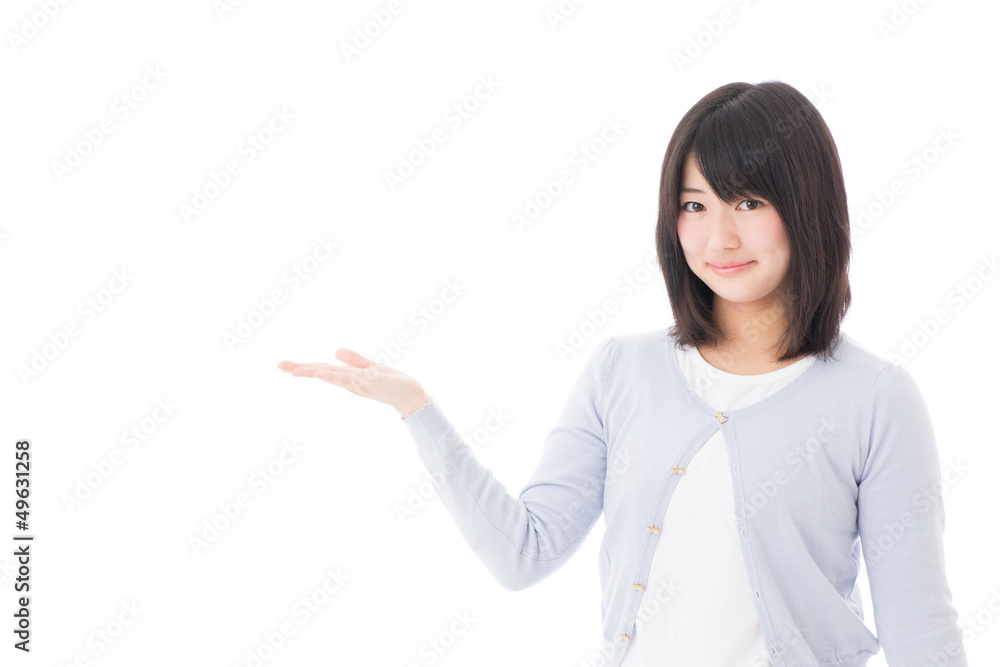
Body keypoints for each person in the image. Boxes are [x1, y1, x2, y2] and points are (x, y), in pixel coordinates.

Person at [278, 80, 967, 667]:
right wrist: (418, 411)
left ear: (808, 208)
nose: (718, 236)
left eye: (749, 202)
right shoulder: (623, 370)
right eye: (695, 204)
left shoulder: (874, 400)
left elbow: (922, 635)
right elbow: (525, 553)